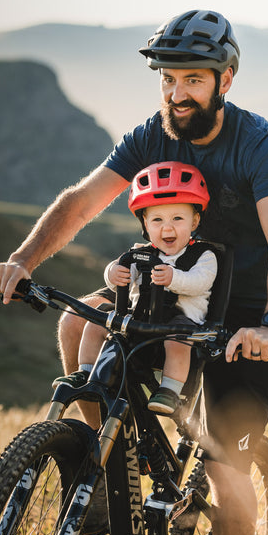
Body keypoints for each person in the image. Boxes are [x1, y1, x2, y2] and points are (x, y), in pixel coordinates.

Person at [0, 8, 268, 535]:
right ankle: (108, 470)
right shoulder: (151, 135)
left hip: (247, 312)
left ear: (225, 80)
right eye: (168, 79)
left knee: (225, 465)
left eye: (193, 80)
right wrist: (22, 260)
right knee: (76, 325)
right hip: (165, 296)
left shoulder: (258, 144)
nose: (177, 94)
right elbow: (82, 201)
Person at [55, 161, 217, 416]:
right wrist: (113, 273)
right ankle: (85, 372)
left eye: (178, 218)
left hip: (179, 321)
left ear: (194, 221)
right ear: (145, 224)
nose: (167, 227)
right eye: (157, 220)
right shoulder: (141, 253)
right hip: (138, 318)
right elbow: (122, 272)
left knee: (178, 341)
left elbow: (201, 282)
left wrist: (174, 277)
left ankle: (169, 390)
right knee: (97, 321)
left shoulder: (204, 256)